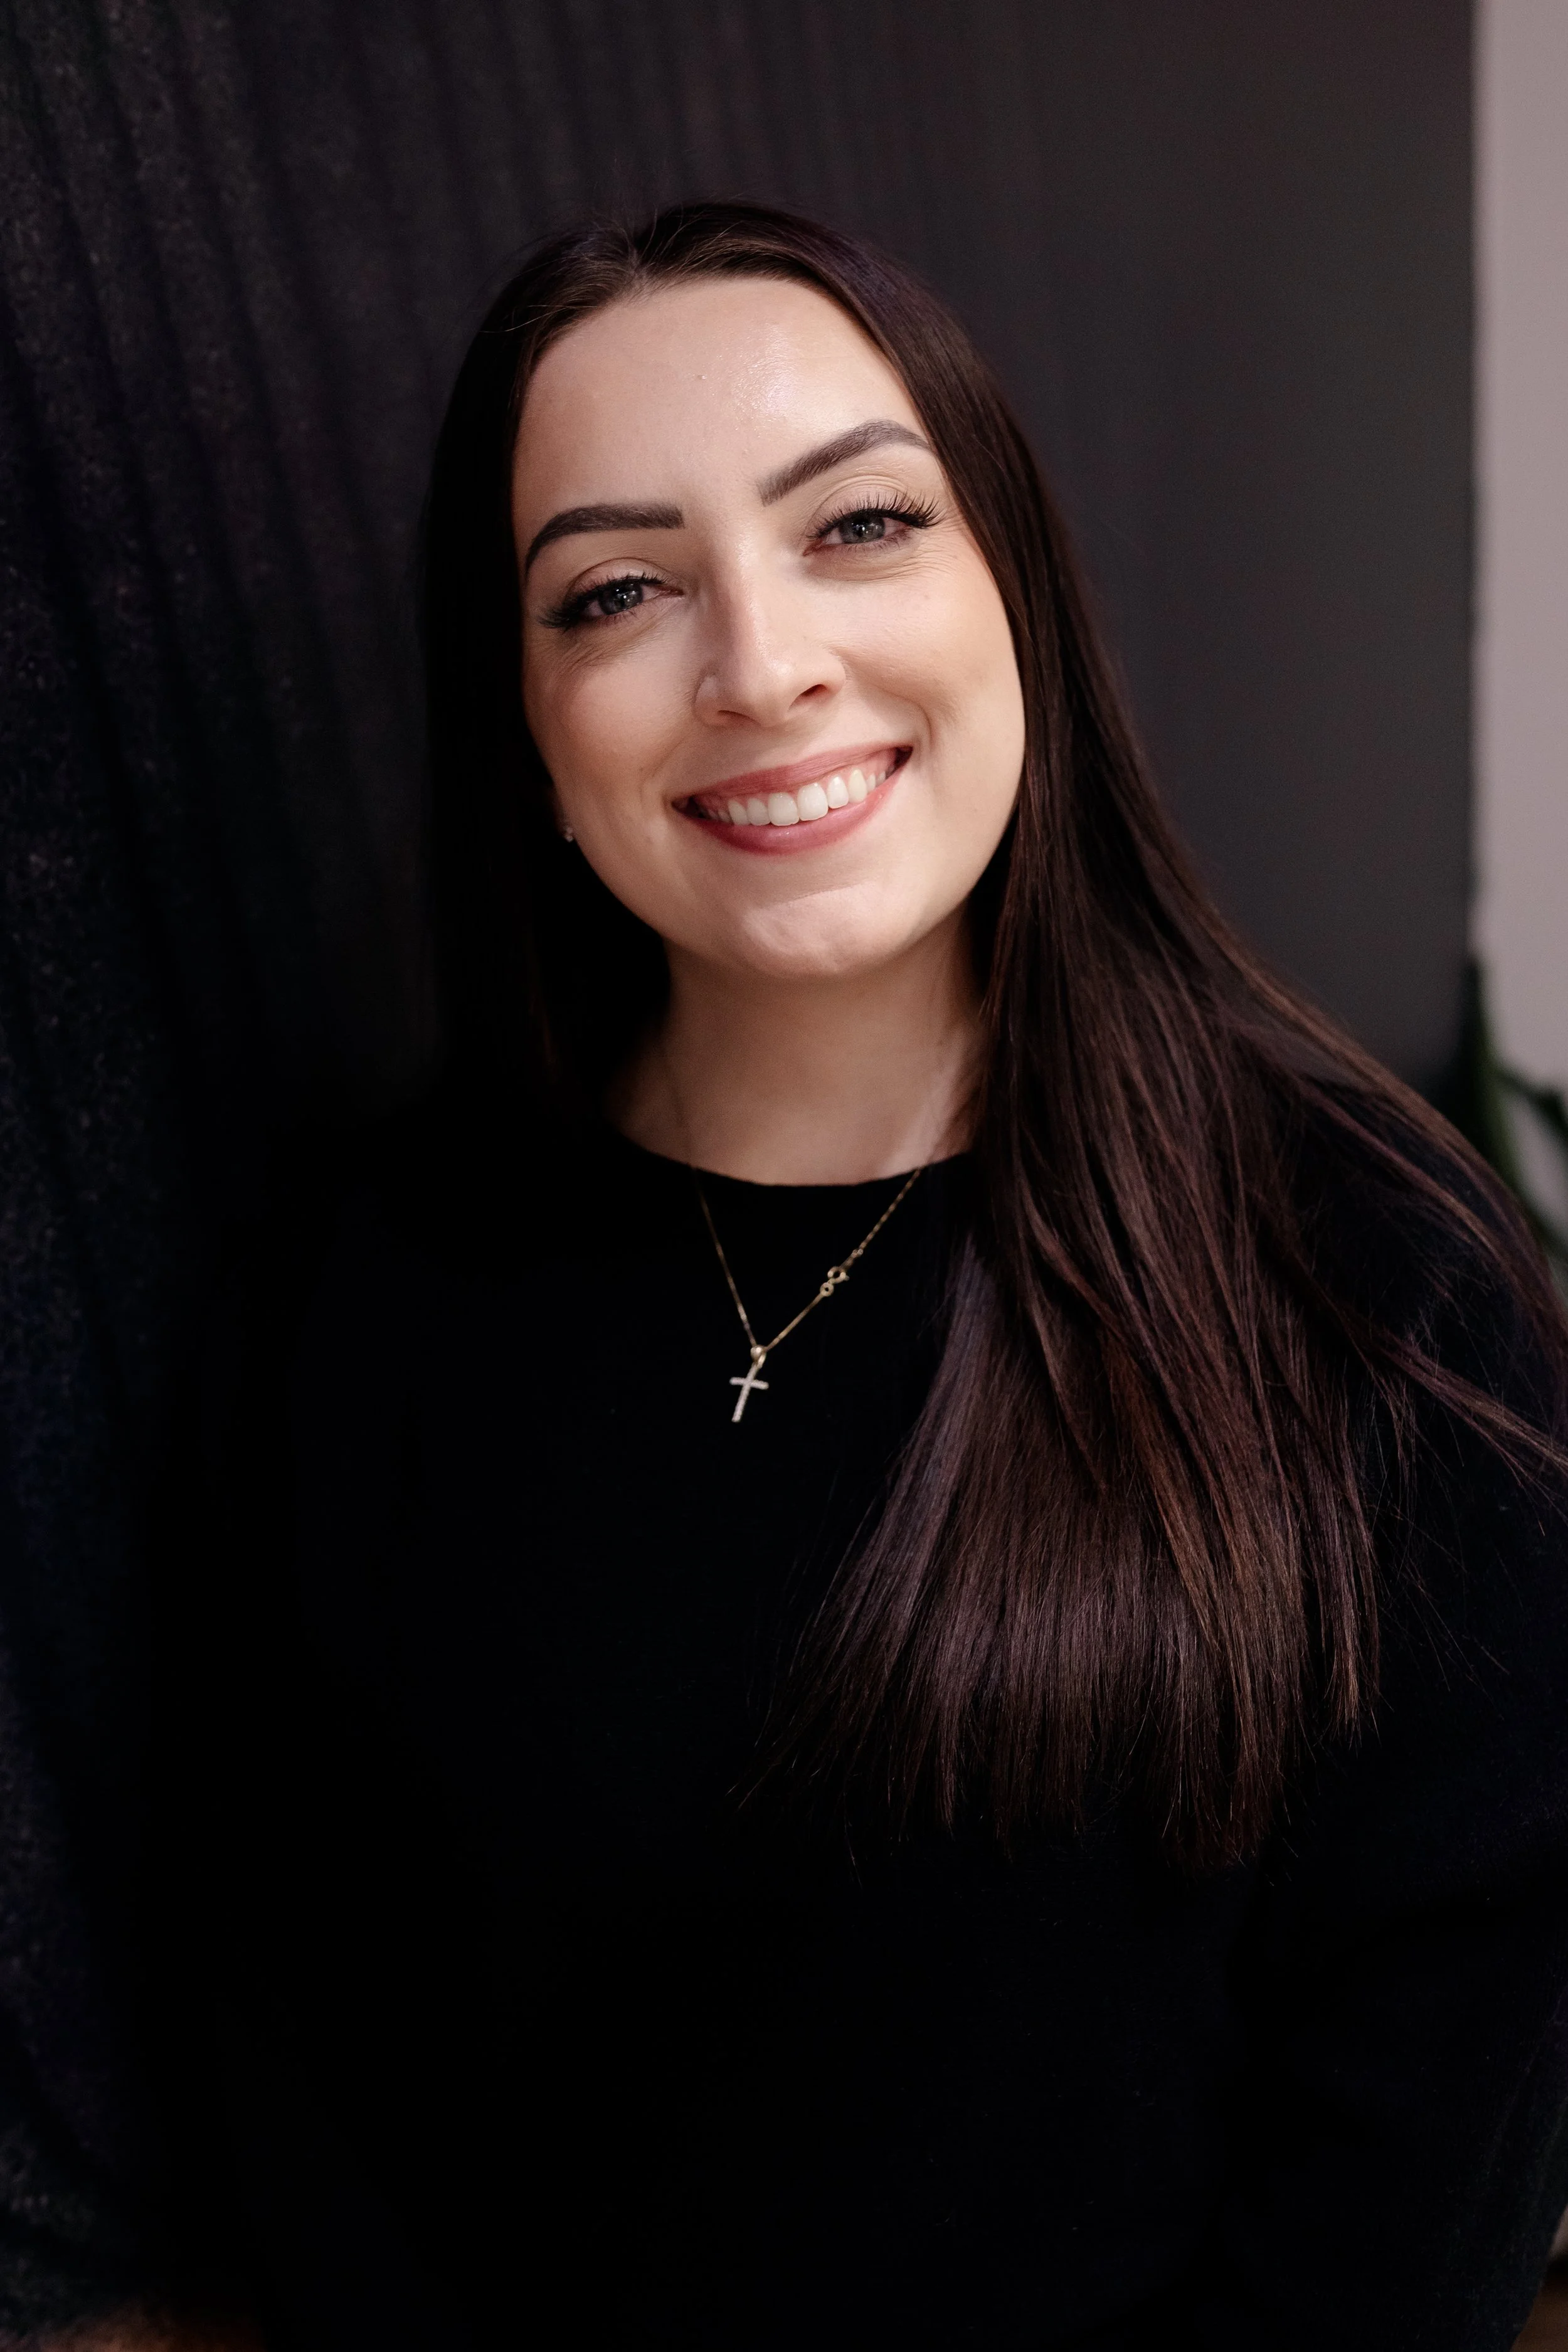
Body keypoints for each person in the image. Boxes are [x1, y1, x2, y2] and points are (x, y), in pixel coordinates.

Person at [163, 202, 1568, 2349]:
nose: (759, 663)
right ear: (529, 732)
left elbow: (1409, 2202)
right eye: (617, 590)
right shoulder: (376, 1282)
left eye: (859, 527)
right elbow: (315, 2071)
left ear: (1016, 594)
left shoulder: (1378, 1285)